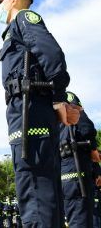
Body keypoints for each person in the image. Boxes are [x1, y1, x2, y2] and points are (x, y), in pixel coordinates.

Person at [0, 0, 76, 227]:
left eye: (0, 2)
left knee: (34, 187)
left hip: (31, 112)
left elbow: (51, 54)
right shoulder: (15, 28)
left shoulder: (24, 18)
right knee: (40, 189)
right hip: (25, 112)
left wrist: (58, 97)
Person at [59, 91, 100, 227]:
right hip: (79, 177)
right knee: (82, 221)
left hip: (63, 179)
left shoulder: (57, 124)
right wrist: (94, 151)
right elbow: (87, 130)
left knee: (73, 219)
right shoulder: (76, 112)